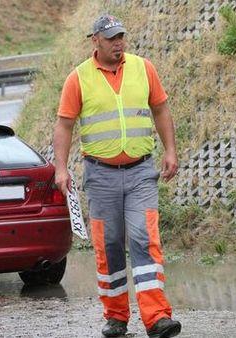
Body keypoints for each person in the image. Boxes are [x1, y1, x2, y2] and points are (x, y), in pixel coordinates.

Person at [52, 14, 182, 338]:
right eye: (111, 38)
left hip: (140, 172)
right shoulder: (78, 79)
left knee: (143, 238)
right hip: (100, 176)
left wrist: (170, 151)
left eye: (120, 36)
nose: (118, 43)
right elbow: (64, 125)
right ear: (95, 40)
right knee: (109, 245)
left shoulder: (143, 68)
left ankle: (157, 318)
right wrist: (61, 167)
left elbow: (161, 108)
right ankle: (116, 317)